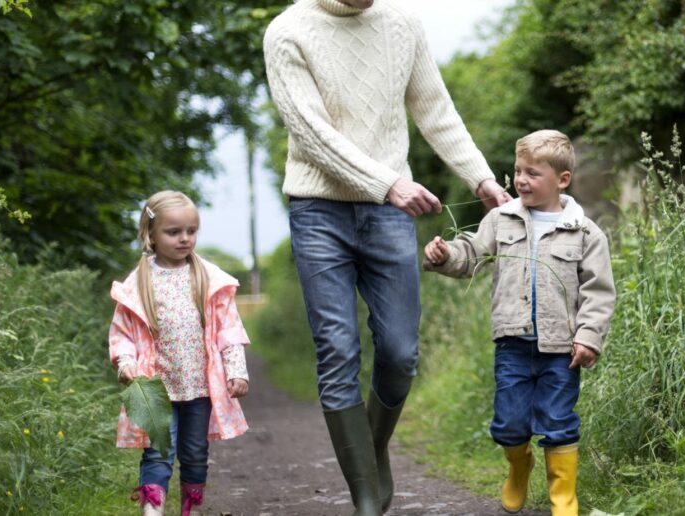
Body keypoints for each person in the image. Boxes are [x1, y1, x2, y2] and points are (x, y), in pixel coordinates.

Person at [263, 0, 511, 514]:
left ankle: (371, 455)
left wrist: (480, 177)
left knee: (400, 352)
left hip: (388, 214)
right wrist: (386, 183)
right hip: (318, 213)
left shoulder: (402, 25)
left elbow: (435, 109)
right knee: (337, 350)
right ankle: (365, 500)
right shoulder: (287, 31)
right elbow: (310, 132)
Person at [424, 130, 616, 516]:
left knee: (559, 421)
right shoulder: (501, 219)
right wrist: (445, 255)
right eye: (516, 171)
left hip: (562, 349)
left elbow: (599, 291)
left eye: (532, 173)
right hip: (512, 344)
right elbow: (472, 255)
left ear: (562, 179)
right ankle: (518, 465)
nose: (520, 180)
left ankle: (563, 496)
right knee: (509, 424)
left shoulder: (585, 232)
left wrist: (589, 337)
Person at [108, 191, 251, 516]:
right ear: (151, 235)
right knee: (158, 451)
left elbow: (228, 329)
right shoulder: (139, 283)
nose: (185, 238)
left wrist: (236, 370)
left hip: (199, 388)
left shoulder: (208, 278)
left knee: (195, 452)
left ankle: (191, 507)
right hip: (157, 389)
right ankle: (153, 509)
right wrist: (126, 362)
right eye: (174, 232)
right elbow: (123, 331)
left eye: (191, 231)